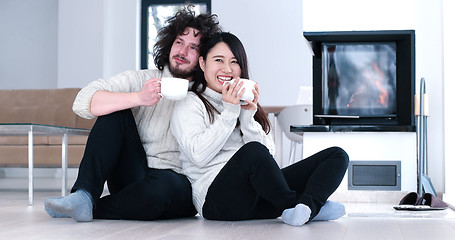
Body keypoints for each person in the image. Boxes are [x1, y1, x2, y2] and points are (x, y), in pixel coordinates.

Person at [44, 6, 221, 222]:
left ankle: (92, 207)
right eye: (179, 43)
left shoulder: (207, 97)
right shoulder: (143, 79)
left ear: (203, 58)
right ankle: (84, 194)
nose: (182, 52)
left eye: (193, 47)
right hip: (132, 175)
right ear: (169, 45)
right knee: (114, 110)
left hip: (174, 184)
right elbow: (82, 101)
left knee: (166, 186)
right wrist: (137, 97)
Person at [170, 32, 349, 226]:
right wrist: (230, 112)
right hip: (218, 202)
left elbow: (267, 158)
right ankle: (297, 206)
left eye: (234, 62)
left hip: (260, 199)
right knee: (252, 151)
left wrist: (247, 117)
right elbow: (198, 155)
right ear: (203, 63)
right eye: (219, 60)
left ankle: (307, 206)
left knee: (337, 155)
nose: (227, 69)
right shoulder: (190, 102)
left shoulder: (242, 104)